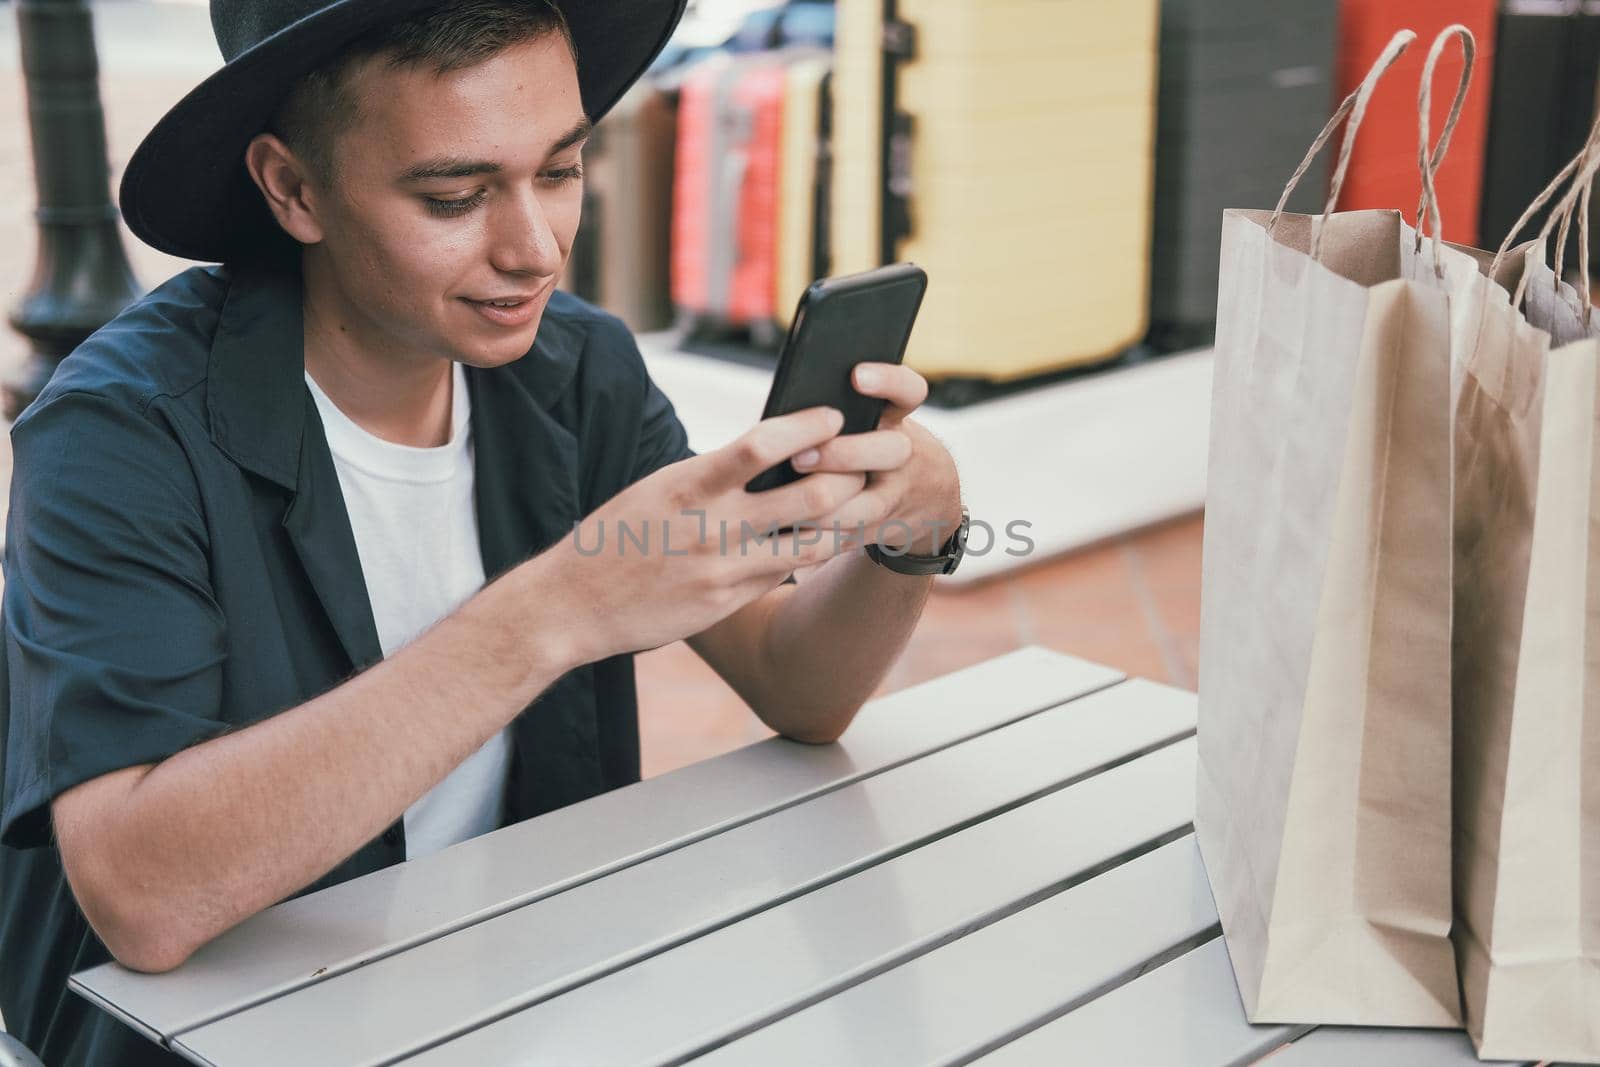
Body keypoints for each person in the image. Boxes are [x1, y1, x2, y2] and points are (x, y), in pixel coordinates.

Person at [0, 0, 967, 1063]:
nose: (536, 247)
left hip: (512, 1002)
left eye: (559, 169)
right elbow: (142, 892)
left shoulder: (580, 369)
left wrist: (911, 527)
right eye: (455, 196)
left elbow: (798, 685)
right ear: (293, 187)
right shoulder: (124, 431)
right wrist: (557, 609)